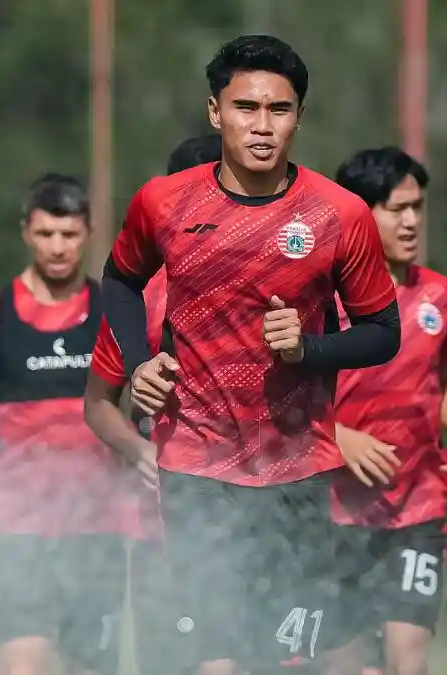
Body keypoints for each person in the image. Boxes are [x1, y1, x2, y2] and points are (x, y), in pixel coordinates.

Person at [102, 35, 402, 675]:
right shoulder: (163, 202)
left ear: (299, 117)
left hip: (296, 470)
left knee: (284, 662)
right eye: (245, 107)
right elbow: (121, 282)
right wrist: (137, 365)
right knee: (219, 659)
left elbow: (383, 332)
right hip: (196, 466)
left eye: (279, 109)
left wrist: (308, 347)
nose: (262, 125)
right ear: (216, 112)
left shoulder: (339, 214)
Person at [0, 174, 126, 675]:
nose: (57, 247)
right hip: (16, 532)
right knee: (22, 667)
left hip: (95, 531)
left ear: (89, 232)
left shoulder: (116, 315)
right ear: (25, 233)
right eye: (45, 234)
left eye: (69, 234)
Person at [332, 147, 447, 675]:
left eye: (417, 207)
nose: (411, 221)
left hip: (417, 508)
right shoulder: (319, 301)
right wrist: (339, 436)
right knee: (346, 666)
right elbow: (277, 401)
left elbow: (442, 376)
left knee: (408, 660)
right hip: (333, 514)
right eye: (396, 209)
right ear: (359, 214)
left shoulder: (441, 296)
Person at [83, 132, 221, 675]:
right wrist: (141, 453)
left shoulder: (283, 282)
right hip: (163, 529)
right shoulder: (144, 296)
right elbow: (99, 403)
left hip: (258, 516)